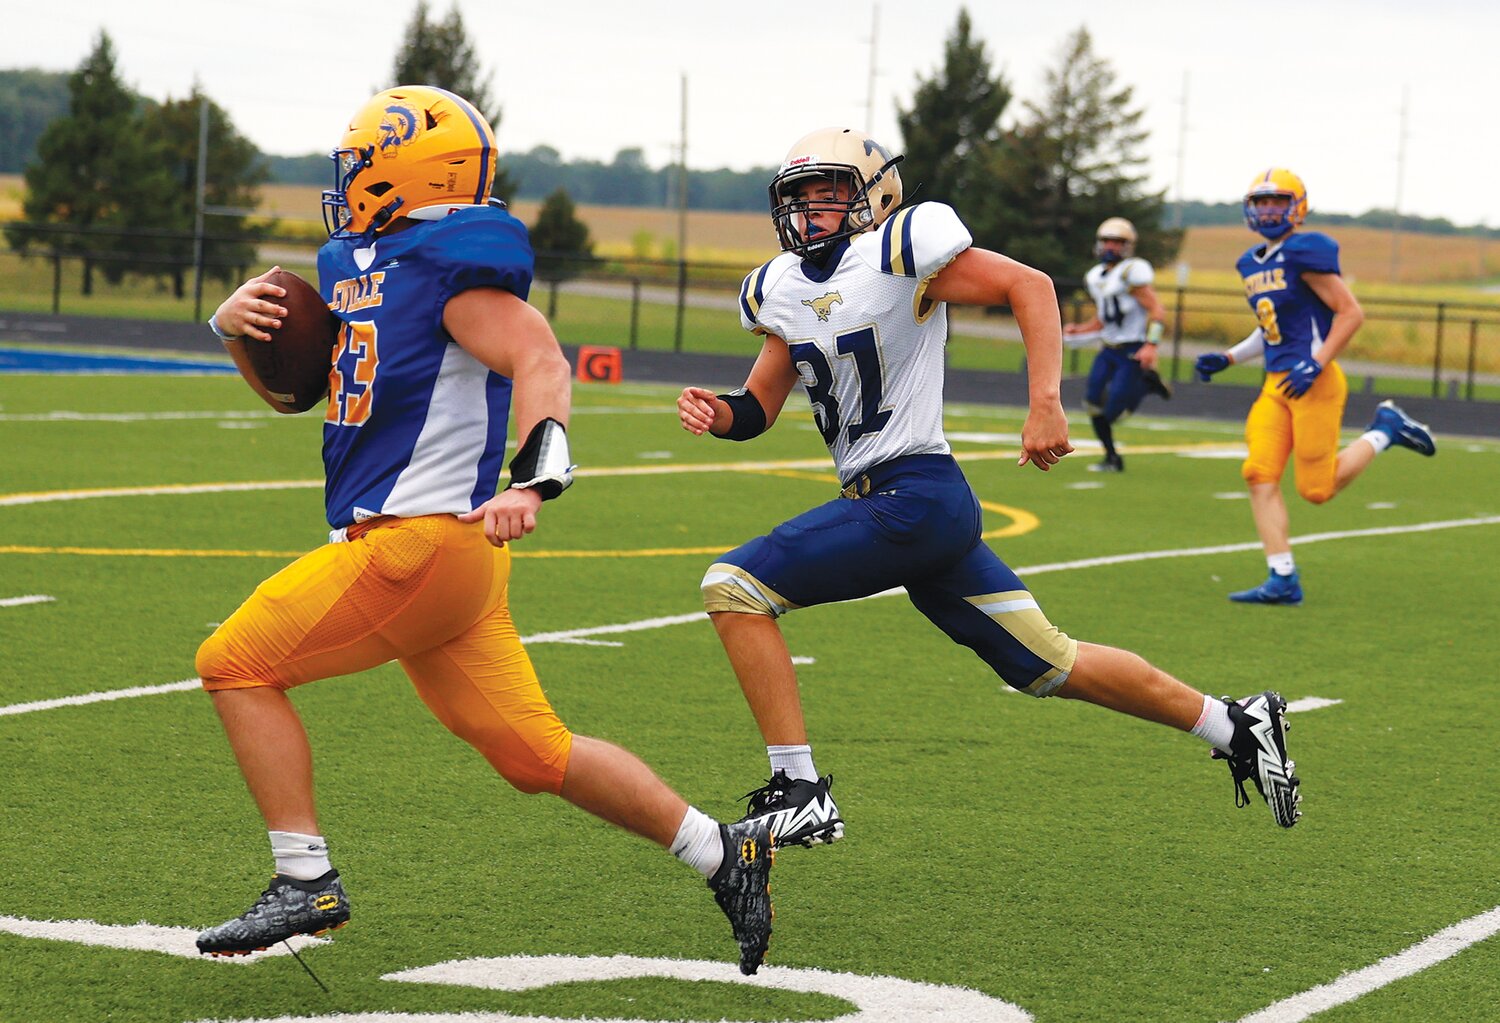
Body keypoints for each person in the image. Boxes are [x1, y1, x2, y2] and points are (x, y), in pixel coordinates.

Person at [194, 86, 773, 976]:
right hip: (446, 564)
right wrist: (232, 332)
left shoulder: (445, 265)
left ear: (403, 173)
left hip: (415, 545)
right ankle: (718, 849)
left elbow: (539, 355)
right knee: (536, 753)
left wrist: (535, 478)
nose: (345, 184)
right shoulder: (372, 263)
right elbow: (291, 392)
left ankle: (303, 876)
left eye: (359, 168)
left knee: (233, 663)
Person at [676, 127, 1304, 840]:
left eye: (831, 194)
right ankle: (1235, 722)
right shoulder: (778, 289)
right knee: (1048, 662)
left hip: (913, 495)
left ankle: (798, 786)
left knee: (733, 586)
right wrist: (719, 411)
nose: (812, 211)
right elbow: (759, 406)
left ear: (875, 196)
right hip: (911, 509)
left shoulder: (900, 249)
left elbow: (1027, 285)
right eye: (800, 198)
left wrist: (1045, 401)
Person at [1194, 168, 1436, 605]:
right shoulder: (1250, 262)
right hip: (1275, 384)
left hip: (1315, 383)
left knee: (1316, 490)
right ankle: (1282, 578)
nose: (1268, 210)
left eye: (1277, 201)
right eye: (1261, 202)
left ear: (1297, 206)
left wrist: (1315, 363)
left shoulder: (1307, 251)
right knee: (1257, 473)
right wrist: (1229, 357)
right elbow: (1270, 328)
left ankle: (1385, 429)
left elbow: (1350, 313)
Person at [1062, 217, 1173, 472]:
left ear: (1127, 246)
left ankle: (1146, 384)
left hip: (1132, 350)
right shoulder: (1095, 276)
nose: (1111, 246)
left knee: (1113, 412)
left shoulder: (1131, 272)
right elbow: (1104, 318)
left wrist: (1151, 345)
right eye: (1107, 241)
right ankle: (1112, 457)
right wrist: (1081, 329)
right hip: (1108, 349)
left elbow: (1157, 310)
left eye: (1117, 242)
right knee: (1092, 403)